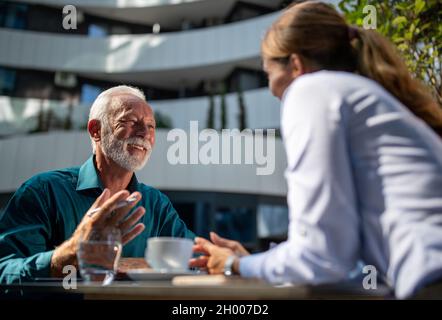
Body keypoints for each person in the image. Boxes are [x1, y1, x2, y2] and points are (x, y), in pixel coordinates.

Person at [190, 1, 442, 299]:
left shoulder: (312, 90)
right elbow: (343, 261)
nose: (273, 91)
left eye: (268, 75)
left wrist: (236, 264)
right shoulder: (362, 96)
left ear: (295, 65)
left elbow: (321, 257)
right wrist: (254, 262)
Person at [0, 85, 195, 283]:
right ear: (96, 131)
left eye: (151, 125)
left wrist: (225, 257)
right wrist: (71, 253)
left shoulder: (157, 204)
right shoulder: (43, 192)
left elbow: (197, 258)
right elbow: (5, 271)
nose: (144, 132)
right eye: (129, 121)